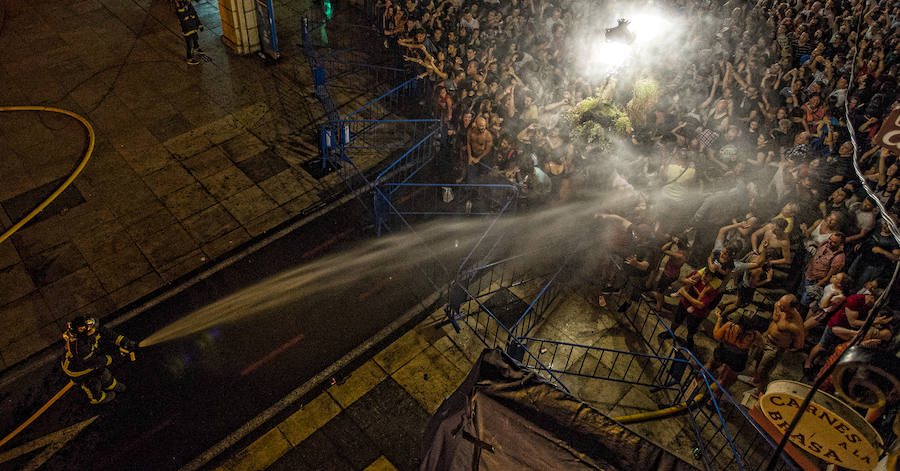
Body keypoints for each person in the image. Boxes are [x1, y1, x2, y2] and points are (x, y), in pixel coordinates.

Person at [61, 316, 137, 404]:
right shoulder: (78, 346)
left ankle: (110, 385)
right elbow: (95, 362)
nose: (94, 330)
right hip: (76, 369)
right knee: (92, 381)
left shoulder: (87, 331)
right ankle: (97, 398)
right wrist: (117, 356)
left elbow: (108, 333)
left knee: (102, 371)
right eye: (91, 330)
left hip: (88, 361)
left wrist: (125, 341)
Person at [751, 294, 805, 394]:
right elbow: (776, 317)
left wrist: (785, 348)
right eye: (780, 303)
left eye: (783, 307)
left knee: (763, 370)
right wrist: (777, 308)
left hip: (775, 348)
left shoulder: (795, 324)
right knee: (756, 359)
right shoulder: (779, 305)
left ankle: (760, 391)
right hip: (765, 338)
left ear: (792, 307)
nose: (780, 306)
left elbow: (799, 344)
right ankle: (755, 381)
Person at [175, 0, 204, 65]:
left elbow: (195, 15)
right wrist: (180, 7)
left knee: (195, 38)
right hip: (187, 29)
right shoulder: (179, 8)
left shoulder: (189, 5)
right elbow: (181, 16)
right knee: (189, 45)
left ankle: (196, 48)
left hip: (193, 27)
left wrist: (199, 24)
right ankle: (189, 58)